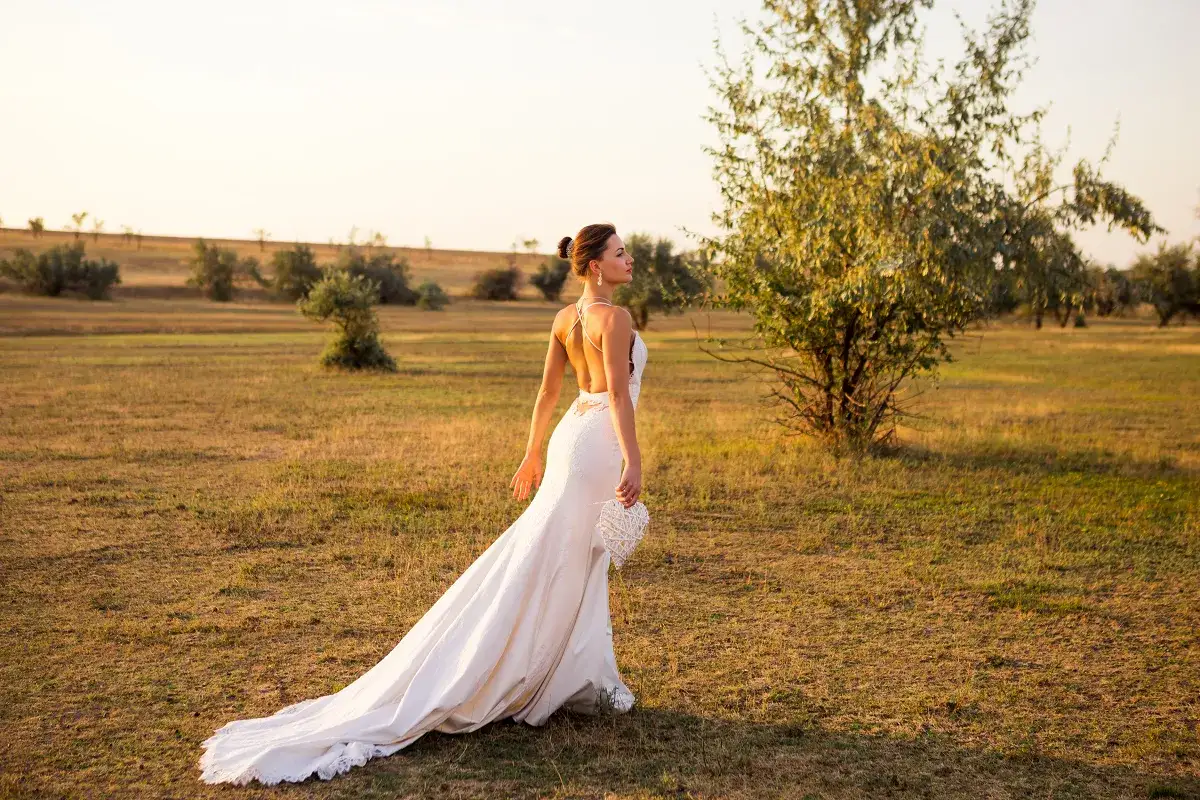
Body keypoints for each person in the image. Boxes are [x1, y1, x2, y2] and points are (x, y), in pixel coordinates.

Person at [199, 223, 648, 786]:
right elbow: (617, 396)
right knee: (568, 556)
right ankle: (538, 674)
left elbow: (548, 394)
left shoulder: (565, 319)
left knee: (565, 554)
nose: (630, 259)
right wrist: (633, 461)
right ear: (595, 264)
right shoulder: (615, 318)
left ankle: (573, 673)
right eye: (620, 253)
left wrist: (533, 452)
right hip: (599, 443)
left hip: (568, 440)